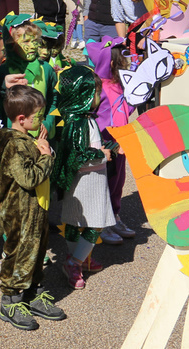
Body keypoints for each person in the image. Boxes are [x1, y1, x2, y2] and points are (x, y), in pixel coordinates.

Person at [0, 85, 62, 330]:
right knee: (19, 254)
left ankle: (34, 293)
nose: (43, 120)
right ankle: (11, 302)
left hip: (37, 208)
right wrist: (46, 156)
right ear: (22, 119)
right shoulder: (15, 145)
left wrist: (40, 144)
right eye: (39, 116)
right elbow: (29, 178)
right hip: (21, 212)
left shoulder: (26, 139)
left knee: (36, 252)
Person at [51, 64, 116, 290]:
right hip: (87, 184)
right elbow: (77, 156)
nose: (99, 98)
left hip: (85, 184)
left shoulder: (81, 119)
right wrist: (102, 154)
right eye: (95, 93)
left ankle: (79, 259)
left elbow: (86, 147)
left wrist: (110, 147)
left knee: (74, 221)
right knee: (93, 224)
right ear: (83, 95)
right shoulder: (80, 122)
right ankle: (75, 261)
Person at [86, 41, 137, 245]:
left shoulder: (119, 84)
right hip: (105, 142)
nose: (126, 61)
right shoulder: (99, 87)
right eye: (121, 57)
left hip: (120, 140)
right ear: (112, 63)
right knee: (104, 183)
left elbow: (125, 109)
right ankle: (101, 224)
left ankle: (114, 217)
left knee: (118, 182)